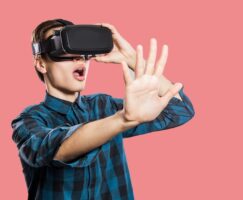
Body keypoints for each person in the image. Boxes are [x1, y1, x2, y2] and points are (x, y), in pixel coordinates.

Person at [11, 18, 195, 200]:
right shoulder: (28, 121)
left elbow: (180, 110)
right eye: (63, 49)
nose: (77, 57)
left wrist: (130, 58)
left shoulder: (103, 106)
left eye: (81, 50)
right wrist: (122, 120)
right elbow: (55, 149)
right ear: (41, 64)